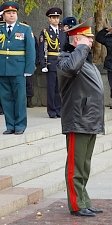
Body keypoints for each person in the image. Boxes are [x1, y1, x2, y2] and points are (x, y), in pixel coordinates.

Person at [57, 17, 105, 217]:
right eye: (86, 38)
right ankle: (76, 205)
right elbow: (69, 68)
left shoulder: (84, 60)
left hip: (90, 119)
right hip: (78, 119)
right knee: (75, 167)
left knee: (84, 166)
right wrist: (81, 48)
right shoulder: (66, 59)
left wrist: (83, 50)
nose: (91, 41)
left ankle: (84, 200)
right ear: (76, 40)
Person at [0, 1, 36, 134]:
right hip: (2, 69)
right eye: (8, 13)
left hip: (19, 70)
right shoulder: (0, 28)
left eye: (14, 13)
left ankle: (20, 125)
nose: (11, 15)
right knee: (5, 98)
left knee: (20, 98)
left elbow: (31, 50)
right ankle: (10, 126)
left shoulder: (25, 29)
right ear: (3, 15)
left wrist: (29, 69)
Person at [39, 7, 67, 118]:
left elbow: (65, 47)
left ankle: (59, 109)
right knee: (51, 88)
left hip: (61, 62)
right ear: (49, 19)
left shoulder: (63, 31)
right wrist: (43, 64)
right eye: (53, 18)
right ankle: (51, 111)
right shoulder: (45, 32)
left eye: (57, 17)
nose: (56, 20)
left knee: (59, 88)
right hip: (50, 62)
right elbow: (42, 49)